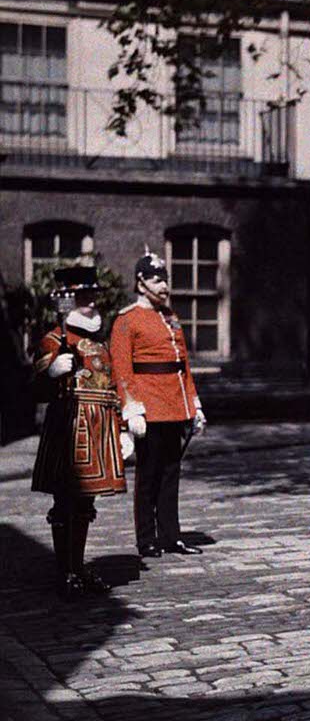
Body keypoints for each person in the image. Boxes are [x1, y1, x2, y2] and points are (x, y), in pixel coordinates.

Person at [31, 266, 132, 597]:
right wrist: (51, 369)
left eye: (91, 295)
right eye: (81, 296)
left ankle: (78, 565)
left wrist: (122, 428)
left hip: (99, 425)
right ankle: (66, 570)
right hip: (70, 424)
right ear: (67, 300)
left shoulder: (99, 344)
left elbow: (113, 387)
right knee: (66, 499)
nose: (89, 302)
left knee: (86, 501)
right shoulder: (56, 339)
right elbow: (32, 382)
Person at [110, 250, 206, 558]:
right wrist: (131, 407)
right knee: (148, 474)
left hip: (174, 405)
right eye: (155, 280)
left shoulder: (170, 318)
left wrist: (194, 404)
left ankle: (170, 535)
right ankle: (146, 539)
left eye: (165, 279)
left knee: (171, 472)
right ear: (140, 283)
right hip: (148, 407)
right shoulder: (127, 320)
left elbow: (183, 366)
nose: (163, 286)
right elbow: (121, 369)